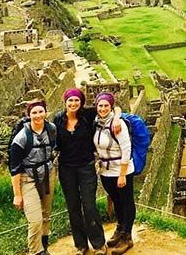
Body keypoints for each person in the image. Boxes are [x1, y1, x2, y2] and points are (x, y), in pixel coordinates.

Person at [53, 88, 121, 255]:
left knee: (89, 205)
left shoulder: (88, 115)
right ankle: (81, 245)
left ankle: (98, 244)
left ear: (81, 102)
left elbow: (115, 107)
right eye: (70, 100)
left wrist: (117, 118)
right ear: (65, 102)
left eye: (77, 100)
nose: (73, 103)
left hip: (86, 166)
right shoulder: (58, 120)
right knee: (73, 206)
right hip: (66, 168)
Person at [9, 99, 56, 255]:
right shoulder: (21, 138)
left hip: (48, 174)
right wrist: (17, 195)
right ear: (29, 115)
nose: (38, 115)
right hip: (27, 178)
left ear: (45, 112)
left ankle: (44, 248)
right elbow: (14, 168)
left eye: (40, 111)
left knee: (46, 215)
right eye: (34, 112)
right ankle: (35, 251)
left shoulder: (51, 129)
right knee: (35, 220)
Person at [94, 92, 136, 253]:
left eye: (106, 105)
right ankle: (120, 228)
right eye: (100, 105)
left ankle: (127, 237)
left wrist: (122, 174)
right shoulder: (96, 122)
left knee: (126, 202)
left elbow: (126, 149)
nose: (103, 108)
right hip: (106, 171)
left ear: (111, 107)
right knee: (116, 201)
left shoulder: (118, 124)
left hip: (121, 169)